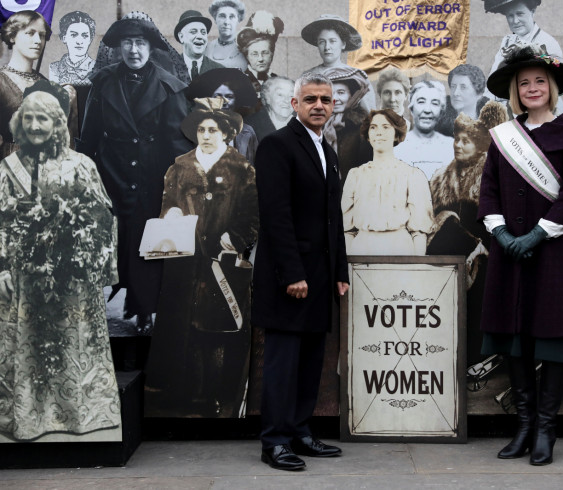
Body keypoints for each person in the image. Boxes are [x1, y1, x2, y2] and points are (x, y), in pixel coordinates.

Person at [479, 44, 563, 465]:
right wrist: (502, 233)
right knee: (515, 337)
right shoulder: (505, 138)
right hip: (508, 253)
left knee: (552, 338)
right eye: (524, 83)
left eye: (540, 81)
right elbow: (488, 190)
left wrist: (537, 235)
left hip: (551, 253)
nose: (532, 88)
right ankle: (523, 427)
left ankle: (546, 430)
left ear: (552, 86)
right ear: (515, 91)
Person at [0, 81, 120, 440]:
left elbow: (102, 220)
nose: (36, 127)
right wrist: (2, 267)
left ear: (57, 124)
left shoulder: (81, 165)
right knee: (28, 350)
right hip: (22, 282)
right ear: (20, 123)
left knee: (74, 348)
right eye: (30, 119)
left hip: (72, 282)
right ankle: (29, 420)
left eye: (44, 120)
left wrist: (93, 267)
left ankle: (78, 418)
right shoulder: (7, 169)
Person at [252, 73, 349, 470]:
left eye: (326, 99)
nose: (319, 105)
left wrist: (339, 269)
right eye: (310, 98)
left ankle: (300, 431)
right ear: (294, 104)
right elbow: (276, 216)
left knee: (311, 359)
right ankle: (274, 441)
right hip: (288, 276)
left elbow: (331, 217)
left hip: (321, 274)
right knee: (283, 361)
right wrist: (292, 273)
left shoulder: (326, 148)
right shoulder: (276, 146)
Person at [76, 17, 192, 334]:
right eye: (127, 43)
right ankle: (98, 310)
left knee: (148, 242)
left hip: (153, 175)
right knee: (113, 240)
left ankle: (144, 309)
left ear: (151, 48)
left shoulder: (170, 87)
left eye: (140, 43)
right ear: (119, 48)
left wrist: (174, 187)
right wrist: (84, 175)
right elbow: (88, 136)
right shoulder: (102, 83)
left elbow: (178, 144)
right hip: (111, 173)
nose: (133, 49)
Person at [144, 98, 259, 418]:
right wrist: (173, 215)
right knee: (184, 328)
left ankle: (219, 397)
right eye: (201, 130)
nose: (206, 135)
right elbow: (167, 205)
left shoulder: (241, 168)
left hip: (221, 262)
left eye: (213, 130)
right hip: (184, 261)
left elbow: (252, 214)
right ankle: (183, 396)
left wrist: (233, 240)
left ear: (226, 134)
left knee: (219, 328)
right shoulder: (179, 166)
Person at [427, 101, 508, 364]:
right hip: (450, 257)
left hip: (484, 256)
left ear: (481, 145)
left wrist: (484, 248)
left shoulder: (491, 175)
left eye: (466, 141)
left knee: (477, 309)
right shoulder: (441, 177)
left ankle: (477, 358)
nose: (458, 145)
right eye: (457, 139)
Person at [342, 109, 434, 255]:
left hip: (400, 250)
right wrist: (350, 265)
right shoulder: (355, 176)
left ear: (396, 134)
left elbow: (419, 231)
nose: (379, 132)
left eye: (386, 127)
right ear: (368, 135)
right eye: (373, 127)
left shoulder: (412, 175)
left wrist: (416, 268)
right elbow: (348, 230)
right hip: (361, 251)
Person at [481, 1, 563, 98]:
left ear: (532, 11)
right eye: (510, 16)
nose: (515, 21)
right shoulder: (507, 42)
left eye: (520, 14)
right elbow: (493, 78)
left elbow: (558, 78)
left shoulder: (547, 43)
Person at [0, 10, 51, 159]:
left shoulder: (45, 84)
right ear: (12, 36)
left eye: (41, 35)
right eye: (30, 33)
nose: (38, 41)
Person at [300, 14, 376, 112]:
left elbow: (370, 113)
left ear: (343, 44)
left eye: (332, 41)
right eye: (322, 42)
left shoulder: (357, 76)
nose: (327, 47)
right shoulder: (307, 76)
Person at [186, 68, 259, 162]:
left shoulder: (247, 132)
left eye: (229, 96)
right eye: (218, 96)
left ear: (236, 100)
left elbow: (253, 167)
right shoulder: (195, 131)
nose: (224, 101)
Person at [394, 80, 455, 180]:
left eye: (435, 103)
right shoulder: (398, 148)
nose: (427, 110)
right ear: (412, 108)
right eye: (421, 102)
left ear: (441, 111)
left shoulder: (452, 147)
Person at [322, 66, 373, 185]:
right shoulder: (318, 126)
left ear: (352, 96)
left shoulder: (363, 128)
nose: (335, 99)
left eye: (341, 92)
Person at [237, 11, 283, 98]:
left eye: (265, 53)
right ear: (247, 56)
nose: (260, 59)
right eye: (254, 54)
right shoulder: (239, 81)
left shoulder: (279, 82)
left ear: (272, 54)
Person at [437, 64, 490, 136]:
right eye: (453, 87)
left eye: (463, 87)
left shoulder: (492, 125)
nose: (455, 93)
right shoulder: (437, 124)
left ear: (478, 93)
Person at [174, 10, 224, 83]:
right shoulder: (168, 70)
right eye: (193, 32)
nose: (200, 36)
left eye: (203, 33)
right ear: (181, 37)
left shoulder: (220, 71)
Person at [49, 11, 96, 86]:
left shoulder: (98, 69)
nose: (79, 41)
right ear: (64, 38)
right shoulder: (53, 69)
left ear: (90, 40)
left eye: (85, 36)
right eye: (74, 35)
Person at [245, 76, 295, 142]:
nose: (287, 100)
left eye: (291, 95)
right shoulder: (248, 126)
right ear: (267, 98)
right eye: (280, 95)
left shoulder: (306, 123)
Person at [204, 0, 248, 70]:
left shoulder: (247, 48)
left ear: (238, 20)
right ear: (215, 19)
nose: (226, 22)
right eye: (222, 16)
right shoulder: (206, 48)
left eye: (232, 17)